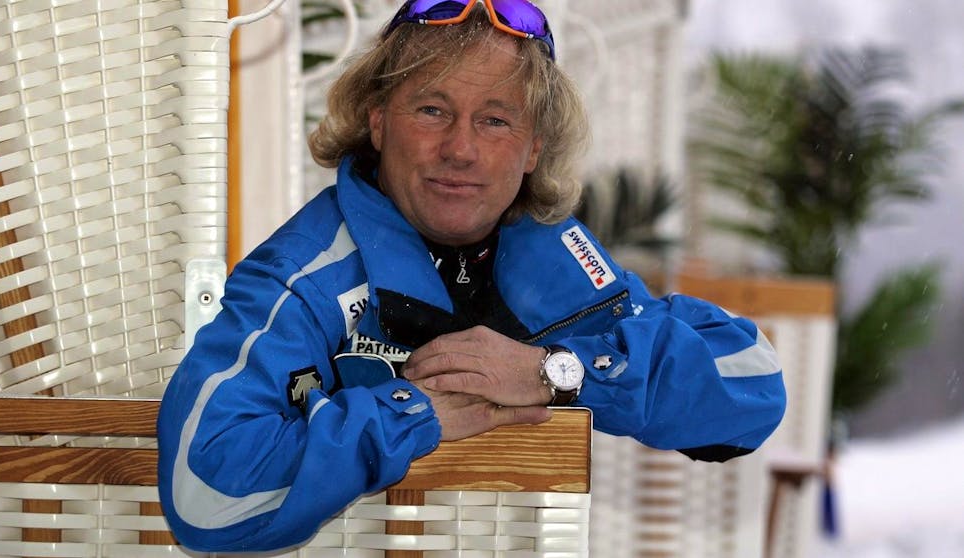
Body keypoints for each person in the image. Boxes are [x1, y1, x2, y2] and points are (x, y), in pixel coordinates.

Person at [157, 0, 787, 552]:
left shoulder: (551, 256)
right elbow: (206, 493)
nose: (460, 149)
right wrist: (411, 414)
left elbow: (753, 384)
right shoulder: (303, 277)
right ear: (377, 122)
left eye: (494, 120)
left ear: (533, 146)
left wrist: (554, 373)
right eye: (432, 109)